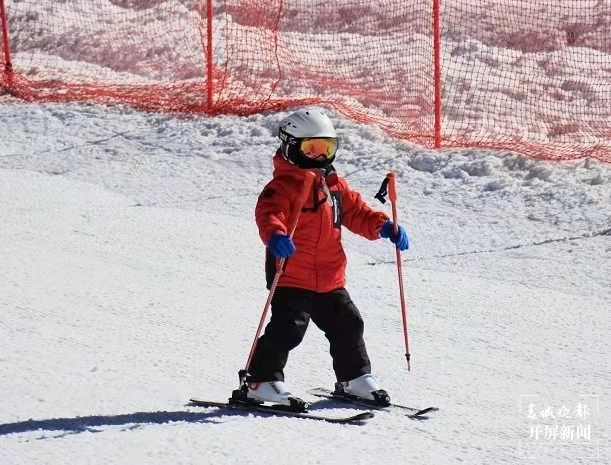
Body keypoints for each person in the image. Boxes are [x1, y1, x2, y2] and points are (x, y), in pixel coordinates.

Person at [246, 108, 409, 407]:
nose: (320, 157)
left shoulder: (335, 185)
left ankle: (354, 378)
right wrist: (276, 236)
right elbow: (269, 214)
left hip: (330, 276)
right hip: (293, 274)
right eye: (312, 149)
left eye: (327, 149)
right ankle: (260, 380)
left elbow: (358, 212)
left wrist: (383, 226)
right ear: (291, 146)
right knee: (288, 329)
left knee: (349, 323)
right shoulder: (282, 186)